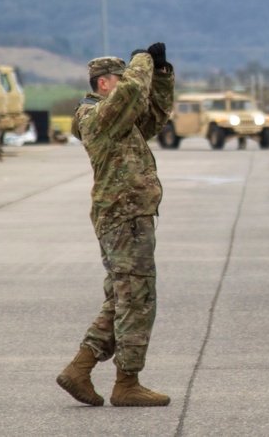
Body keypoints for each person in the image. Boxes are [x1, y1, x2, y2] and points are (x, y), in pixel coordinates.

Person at [57, 43, 175, 408]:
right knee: (137, 298)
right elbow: (131, 93)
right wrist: (143, 59)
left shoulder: (115, 117)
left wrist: (163, 75)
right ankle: (127, 383)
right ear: (104, 83)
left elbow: (153, 114)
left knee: (122, 296)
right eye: (120, 80)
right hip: (123, 216)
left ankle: (80, 368)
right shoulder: (94, 116)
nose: (129, 84)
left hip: (128, 215)